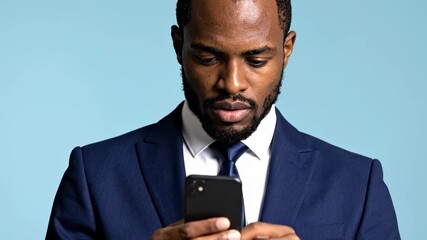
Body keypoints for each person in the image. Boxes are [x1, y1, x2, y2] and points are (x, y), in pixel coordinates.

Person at [46, 0, 400, 239]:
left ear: (287, 50)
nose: (232, 83)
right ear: (178, 46)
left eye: (256, 60)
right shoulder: (94, 175)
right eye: (208, 57)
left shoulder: (358, 186)